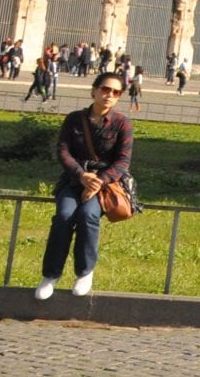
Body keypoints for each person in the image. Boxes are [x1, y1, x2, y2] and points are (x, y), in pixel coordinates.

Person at [35, 71, 133, 300]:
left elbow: (123, 161)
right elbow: (63, 151)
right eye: (105, 89)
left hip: (104, 185)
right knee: (64, 215)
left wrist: (99, 181)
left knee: (88, 216)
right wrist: (82, 176)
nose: (109, 95)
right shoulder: (74, 119)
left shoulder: (122, 124)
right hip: (73, 180)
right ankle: (50, 275)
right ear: (94, 91)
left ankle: (84, 272)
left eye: (115, 92)